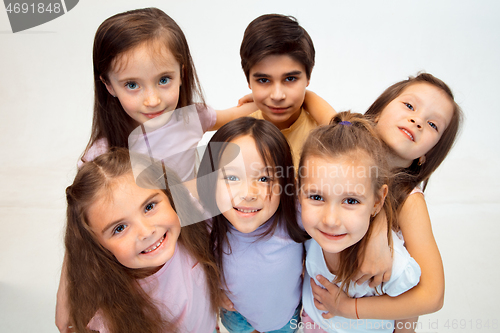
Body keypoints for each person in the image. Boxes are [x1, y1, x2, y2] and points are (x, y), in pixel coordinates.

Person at [57, 8, 256, 331]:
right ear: (108, 84)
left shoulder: (191, 118)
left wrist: (266, 98)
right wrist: (66, 298)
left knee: (201, 298)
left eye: (164, 80)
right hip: (147, 249)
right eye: (132, 85)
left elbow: (232, 116)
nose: (152, 99)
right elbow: (82, 232)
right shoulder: (104, 155)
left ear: (182, 71)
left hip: (192, 231)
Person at [307, 73, 463, 331]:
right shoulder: (344, 141)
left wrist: (347, 308)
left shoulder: (410, 203)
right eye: (410, 106)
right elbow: (310, 100)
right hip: (316, 310)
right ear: (378, 113)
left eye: (433, 124)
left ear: (427, 154)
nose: (417, 121)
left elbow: (432, 296)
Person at [64, 148, 221, 333]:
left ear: (169, 195)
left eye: (149, 206)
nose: (146, 232)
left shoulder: (196, 225)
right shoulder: (111, 313)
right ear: (97, 246)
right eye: (120, 228)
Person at [298, 112, 421, 332]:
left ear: (377, 201)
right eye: (317, 197)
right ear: (299, 193)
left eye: (351, 201)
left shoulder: (392, 265)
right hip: (313, 322)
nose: (330, 220)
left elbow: (410, 309)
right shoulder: (305, 227)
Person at [196, 117, 309, 333]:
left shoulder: (295, 213)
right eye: (231, 177)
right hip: (235, 316)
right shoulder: (206, 220)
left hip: (283, 319)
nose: (248, 194)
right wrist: (213, 291)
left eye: (265, 179)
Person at [239, 14, 334, 168]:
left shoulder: (324, 135)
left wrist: (310, 98)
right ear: (248, 80)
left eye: (290, 79)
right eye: (263, 80)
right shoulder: (236, 138)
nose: (277, 96)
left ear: (308, 77)